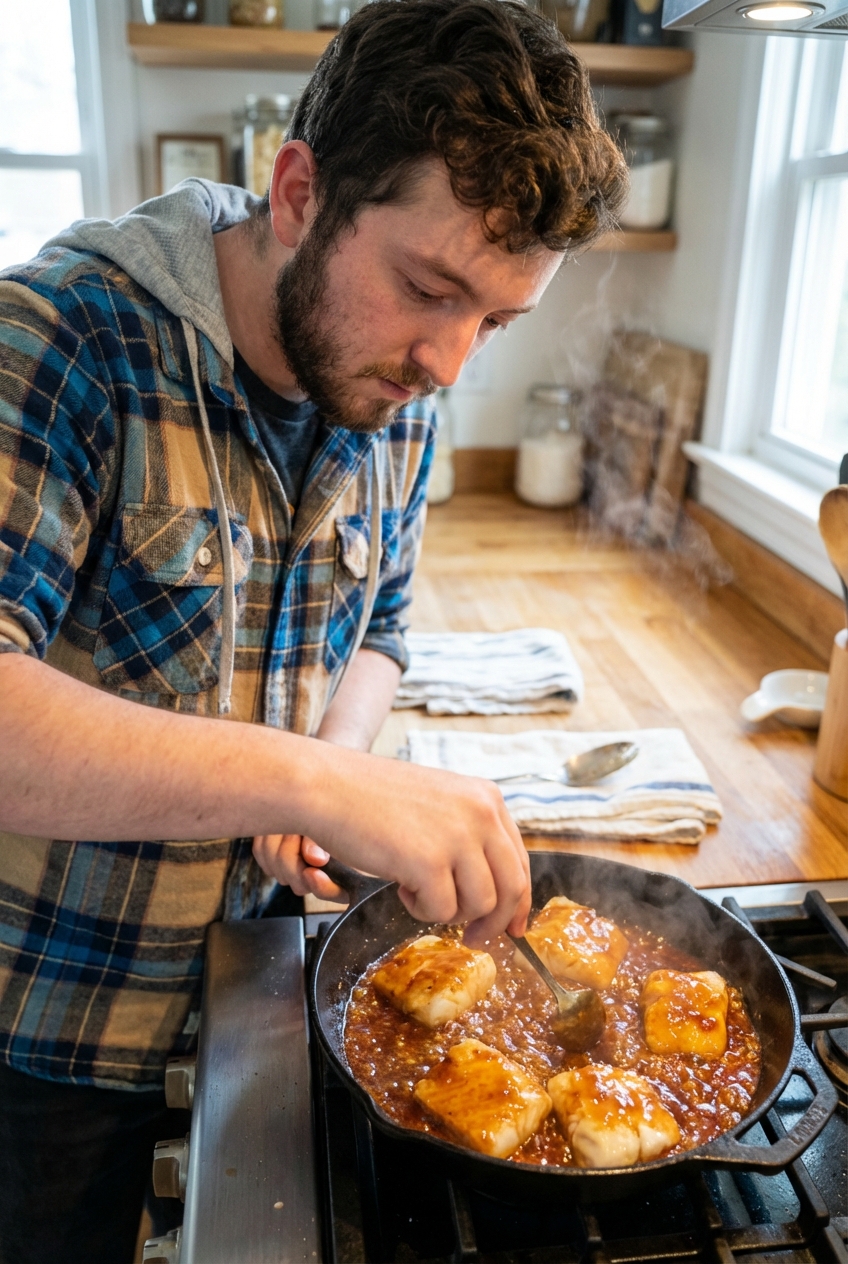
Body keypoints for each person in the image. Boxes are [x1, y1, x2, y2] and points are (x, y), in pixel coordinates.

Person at [0, 0, 625, 1258]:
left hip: (272, 983)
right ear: (298, 191)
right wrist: (324, 776)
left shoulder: (396, 379)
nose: (449, 362)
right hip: (54, 1026)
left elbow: (381, 623)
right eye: (429, 287)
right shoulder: (60, 338)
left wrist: (327, 766)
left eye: (494, 322)